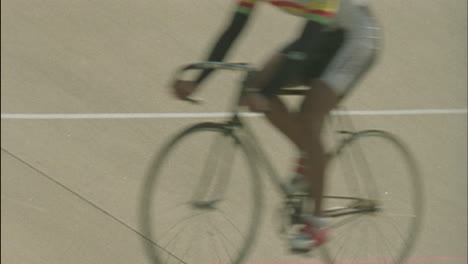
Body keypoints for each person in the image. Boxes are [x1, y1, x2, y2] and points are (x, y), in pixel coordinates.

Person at [172, 0, 380, 252]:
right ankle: (313, 156)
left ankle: (318, 222)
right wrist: (199, 80)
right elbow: (234, 28)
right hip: (324, 31)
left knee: (310, 112)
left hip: (356, 37)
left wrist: (266, 91)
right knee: (256, 86)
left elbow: (305, 44)